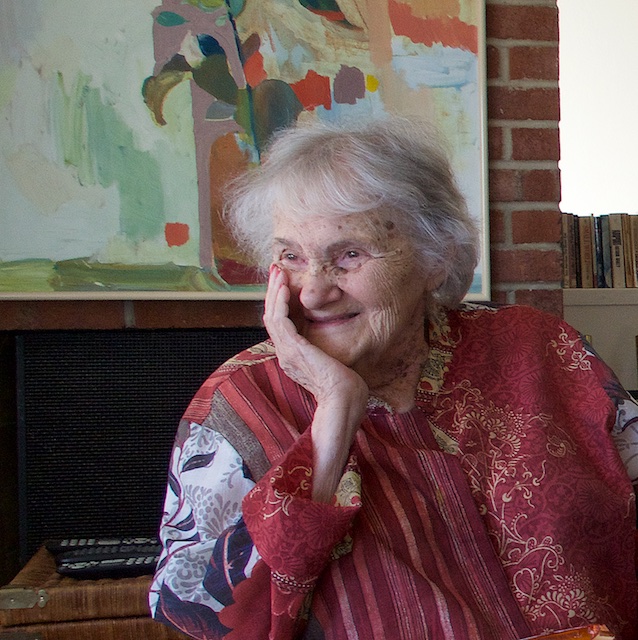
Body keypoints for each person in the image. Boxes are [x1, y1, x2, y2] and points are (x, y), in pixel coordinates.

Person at [149, 116, 638, 640]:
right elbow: (200, 618)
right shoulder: (239, 403)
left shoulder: (542, 350)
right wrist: (333, 420)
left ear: (437, 258)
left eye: (349, 255)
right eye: (290, 256)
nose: (312, 291)